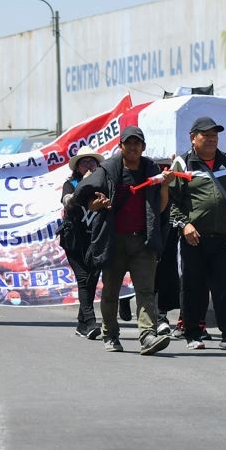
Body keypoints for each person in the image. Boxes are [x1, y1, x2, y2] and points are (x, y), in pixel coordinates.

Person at [74, 126, 172, 355]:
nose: (133, 147)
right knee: (110, 292)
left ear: (143, 147)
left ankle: (147, 335)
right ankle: (110, 334)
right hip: (114, 242)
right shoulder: (108, 170)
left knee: (146, 291)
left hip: (143, 243)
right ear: (121, 146)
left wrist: (165, 187)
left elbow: (159, 209)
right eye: (129, 143)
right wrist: (97, 203)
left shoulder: (151, 170)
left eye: (137, 143)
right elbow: (88, 200)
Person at [168, 116, 226, 351]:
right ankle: (193, 334)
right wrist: (185, 225)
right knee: (193, 287)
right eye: (205, 135)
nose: (211, 139)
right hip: (193, 238)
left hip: (224, 237)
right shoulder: (182, 163)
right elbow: (172, 202)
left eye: (214, 135)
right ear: (192, 138)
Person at [59, 145, 104, 339]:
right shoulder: (70, 184)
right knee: (83, 279)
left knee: (92, 280)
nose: (88, 165)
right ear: (77, 167)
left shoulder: (102, 185)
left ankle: (81, 324)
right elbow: (68, 202)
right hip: (74, 242)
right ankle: (91, 322)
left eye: (91, 162)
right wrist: (84, 185)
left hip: (95, 241)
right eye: (84, 162)